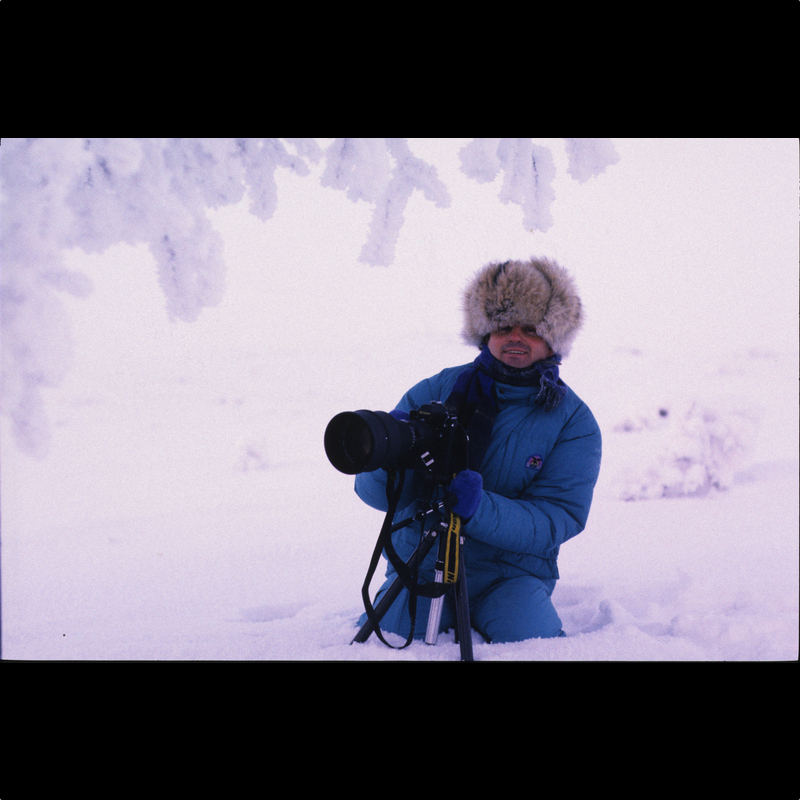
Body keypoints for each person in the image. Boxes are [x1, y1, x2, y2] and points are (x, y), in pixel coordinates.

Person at [354, 257, 602, 644]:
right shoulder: (437, 390)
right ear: (485, 331)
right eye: (504, 325)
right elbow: (376, 497)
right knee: (391, 642)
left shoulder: (573, 422)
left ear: (553, 337)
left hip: (509, 575)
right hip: (420, 561)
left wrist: (479, 509)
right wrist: (386, 457)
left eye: (531, 329)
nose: (516, 337)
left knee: (531, 643)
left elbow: (558, 518)